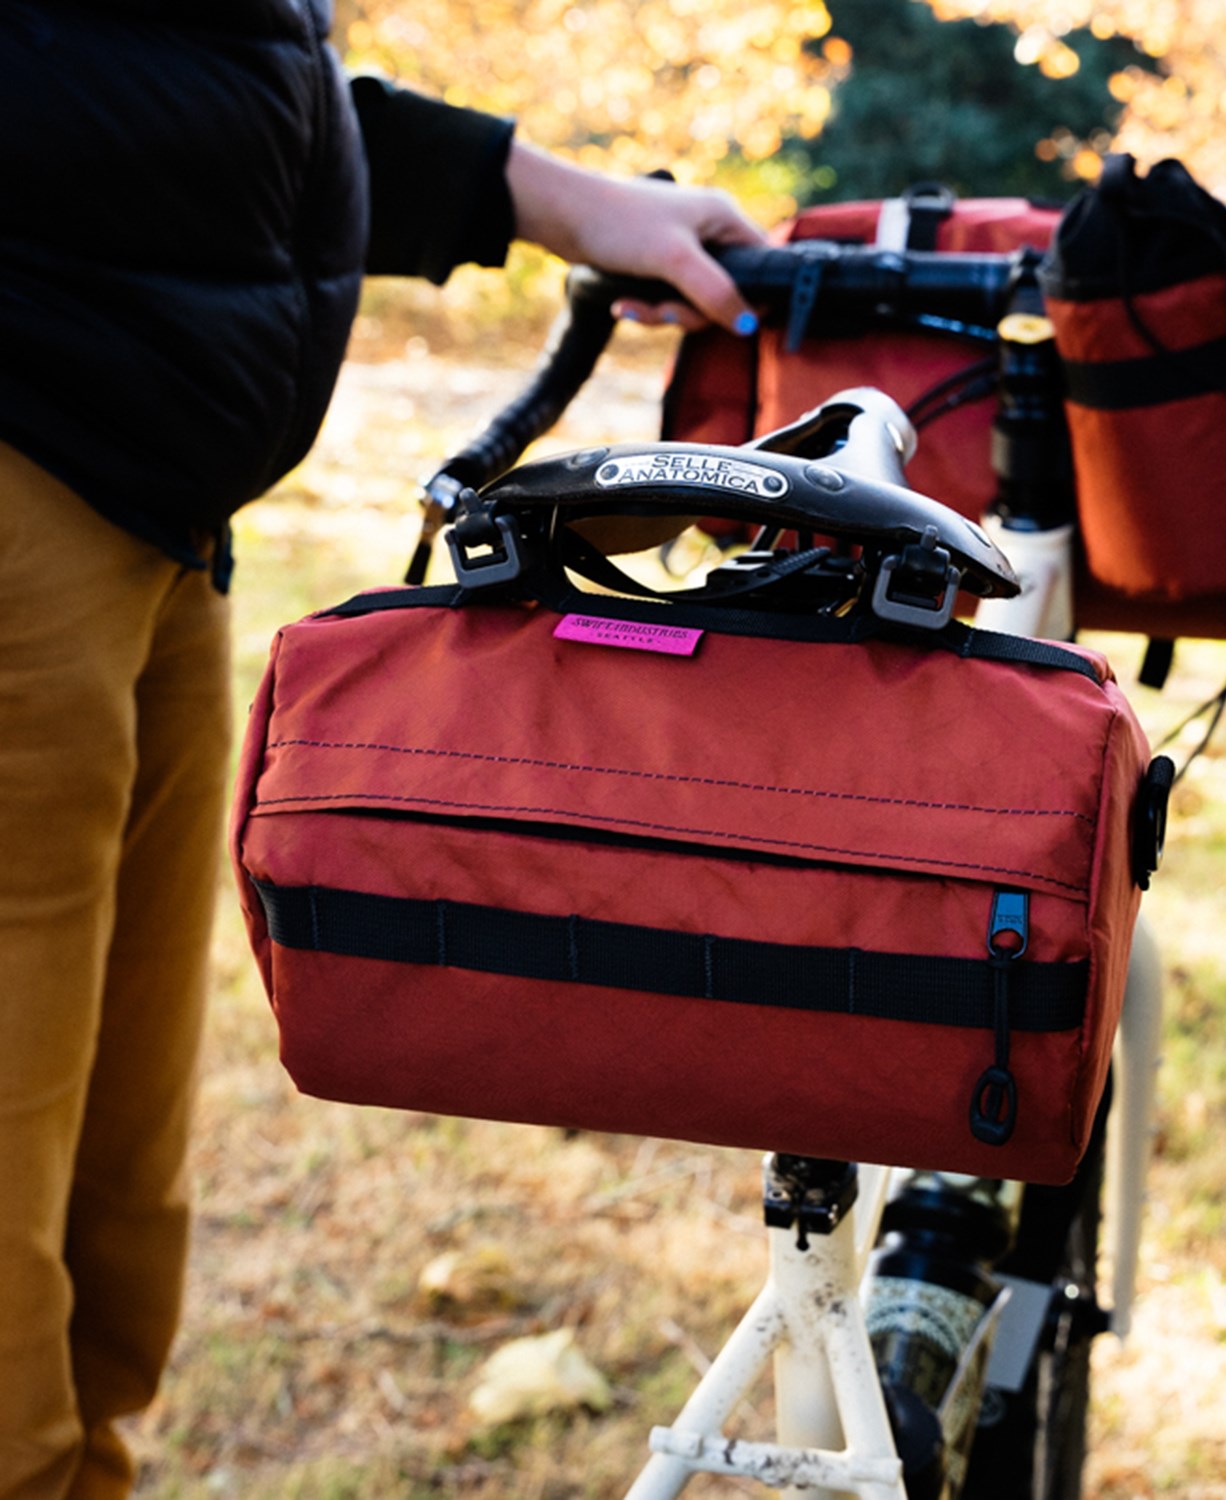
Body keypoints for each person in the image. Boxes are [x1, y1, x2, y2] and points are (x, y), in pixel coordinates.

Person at [0, 3, 765, 1495]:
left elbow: (226, 100)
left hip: (147, 502)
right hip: (33, 476)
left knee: (108, 1152)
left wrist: (558, 199)